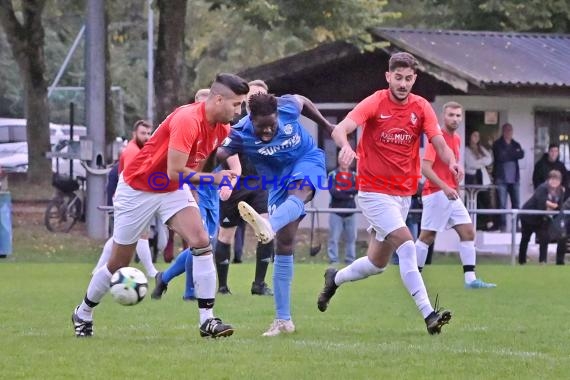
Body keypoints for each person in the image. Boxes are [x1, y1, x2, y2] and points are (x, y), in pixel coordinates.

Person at [71, 73, 249, 338]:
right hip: (137, 188)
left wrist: (202, 188)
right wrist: (214, 179)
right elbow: (176, 170)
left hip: (172, 189)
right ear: (219, 99)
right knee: (119, 261)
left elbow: (193, 167)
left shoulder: (221, 128)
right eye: (236, 104)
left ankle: (207, 320)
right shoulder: (188, 120)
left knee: (201, 240)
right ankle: (83, 312)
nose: (240, 110)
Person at [316, 52, 459, 335]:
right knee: (407, 245)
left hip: (403, 195)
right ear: (388, 77)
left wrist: (451, 160)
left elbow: (439, 142)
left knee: (377, 263)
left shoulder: (421, 107)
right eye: (398, 78)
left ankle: (335, 278)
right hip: (373, 192)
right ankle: (429, 314)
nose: (403, 84)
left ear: (414, 79)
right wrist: (345, 145)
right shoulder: (375, 101)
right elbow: (341, 129)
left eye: (408, 79)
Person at [216, 92, 335, 336]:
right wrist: (212, 177)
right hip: (275, 180)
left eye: (272, 124)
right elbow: (219, 154)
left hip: (306, 159)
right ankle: (283, 320)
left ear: (278, 114)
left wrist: (326, 125)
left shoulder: (288, 107)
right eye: (262, 127)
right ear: (251, 119)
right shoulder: (239, 132)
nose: (268, 131)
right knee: (285, 242)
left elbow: (305, 100)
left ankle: (269, 224)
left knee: (300, 193)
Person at [151, 88, 224, 301]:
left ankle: (164, 277)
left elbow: (232, 159)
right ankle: (190, 291)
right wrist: (191, 189)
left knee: (206, 243)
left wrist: (232, 180)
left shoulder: (219, 129)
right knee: (199, 242)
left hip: (213, 194)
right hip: (194, 190)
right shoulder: (188, 127)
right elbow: (181, 168)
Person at [415, 101, 496, 288]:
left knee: (468, 232)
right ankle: (414, 277)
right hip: (435, 193)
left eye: (458, 115)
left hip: (451, 193)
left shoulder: (458, 139)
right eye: (451, 115)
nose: (455, 119)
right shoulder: (436, 137)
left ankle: (471, 280)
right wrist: (444, 186)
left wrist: (456, 184)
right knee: (427, 237)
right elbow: (425, 168)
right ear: (444, 116)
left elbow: (452, 166)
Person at [214, 80, 273, 296]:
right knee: (225, 235)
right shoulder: (234, 126)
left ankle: (259, 285)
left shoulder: (271, 126)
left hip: (260, 185)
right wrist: (227, 182)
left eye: (262, 96)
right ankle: (222, 287)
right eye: (253, 96)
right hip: (235, 184)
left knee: (266, 231)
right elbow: (226, 156)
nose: (257, 100)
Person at [92, 120, 158, 280]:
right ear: (134, 134)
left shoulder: (139, 150)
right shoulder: (132, 152)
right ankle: (152, 272)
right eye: (143, 133)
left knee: (119, 236)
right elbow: (134, 179)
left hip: (130, 197)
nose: (147, 137)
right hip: (130, 198)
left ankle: (97, 270)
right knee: (141, 234)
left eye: (149, 133)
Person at [518, 169, 566, 265]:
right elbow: (540, 205)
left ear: (560, 181)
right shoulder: (542, 188)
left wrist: (550, 205)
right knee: (525, 238)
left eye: (556, 180)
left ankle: (542, 261)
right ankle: (521, 261)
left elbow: (559, 207)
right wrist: (551, 205)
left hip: (543, 218)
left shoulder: (561, 190)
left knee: (544, 237)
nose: (554, 182)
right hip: (528, 216)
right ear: (548, 180)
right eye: (552, 179)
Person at [492, 123, 524, 231]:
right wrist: (513, 154)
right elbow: (500, 156)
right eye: (506, 130)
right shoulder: (497, 144)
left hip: (514, 179)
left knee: (516, 203)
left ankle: (516, 225)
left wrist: (508, 154)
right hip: (501, 178)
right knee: (502, 204)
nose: (509, 132)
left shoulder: (515, 144)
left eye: (510, 130)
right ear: (503, 131)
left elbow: (521, 154)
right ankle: (502, 226)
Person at [327, 154, 357, 265]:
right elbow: (334, 192)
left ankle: (350, 260)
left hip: (351, 211)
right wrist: (348, 192)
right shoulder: (332, 175)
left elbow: (357, 189)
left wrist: (342, 189)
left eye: (348, 160)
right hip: (336, 211)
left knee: (351, 238)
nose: (345, 162)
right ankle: (333, 260)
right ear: (339, 160)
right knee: (333, 238)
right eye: (343, 159)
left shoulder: (354, 175)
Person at [464, 130, 494, 230]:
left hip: (483, 177)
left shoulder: (481, 148)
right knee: (475, 200)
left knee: (486, 199)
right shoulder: (466, 149)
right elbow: (470, 163)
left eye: (478, 136)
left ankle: (488, 223)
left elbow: (489, 159)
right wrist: (482, 162)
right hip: (472, 178)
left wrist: (479, 162)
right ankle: (475, 224)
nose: (476, 138)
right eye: (474, 135)